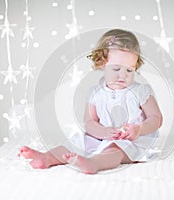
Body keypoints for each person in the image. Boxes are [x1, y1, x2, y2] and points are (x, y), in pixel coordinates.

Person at [19, 29, 163, 174]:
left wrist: (139, 129)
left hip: (132, 142)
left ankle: (94, 163)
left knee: (115, 150)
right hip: (102, 138)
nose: (123, 75)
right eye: (116, 68)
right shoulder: (96, 93)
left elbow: (156, 118)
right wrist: (104, 131)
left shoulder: (140, 91)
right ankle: (47, 158)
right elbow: (89, 123)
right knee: (78, 141)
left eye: (129, 70)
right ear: (101, 63)